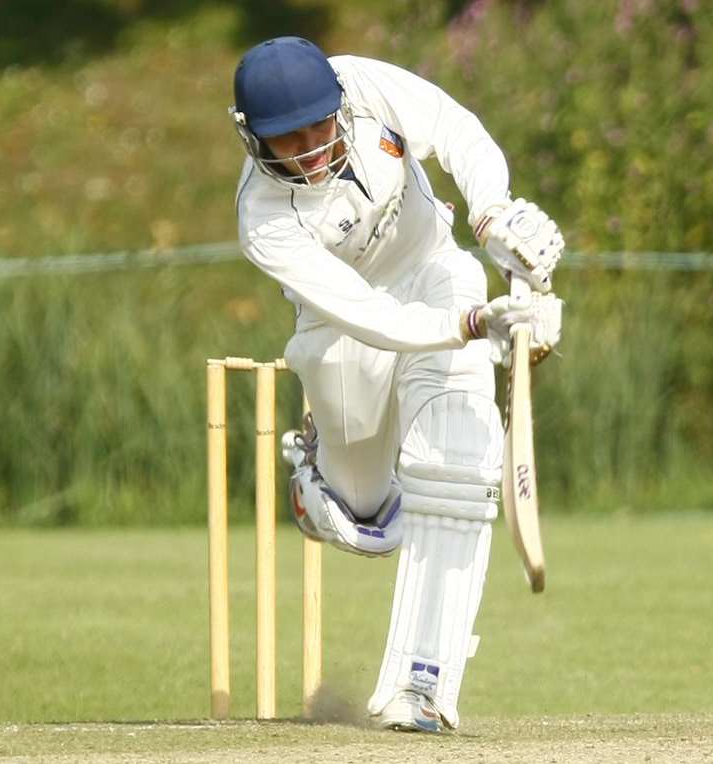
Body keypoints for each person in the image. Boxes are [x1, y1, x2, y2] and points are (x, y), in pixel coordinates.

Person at [229, 36, 564, 732]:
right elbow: (372, 317)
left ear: (338, 106)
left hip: (435, 267)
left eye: (321, 125)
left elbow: (455, 130)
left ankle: (423, 689)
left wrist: (492, 216)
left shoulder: (363, 86)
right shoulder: (264, 218)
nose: (313, 146)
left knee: (458, 463)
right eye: (289, 138)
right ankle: (319, 478)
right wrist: (474, 324)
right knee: (366, 522)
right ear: (254, 139)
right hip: (345, 326)